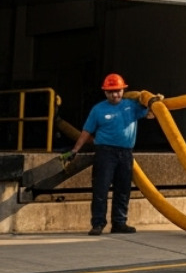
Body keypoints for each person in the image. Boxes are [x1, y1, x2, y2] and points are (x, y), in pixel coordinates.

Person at [61, 74, 151, 235]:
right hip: (105, 152)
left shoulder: (132, 106)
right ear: (105, 93)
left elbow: (151, 114)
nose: (114, 95)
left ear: (123, 90)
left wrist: (154, 101)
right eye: (110, 92)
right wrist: (75, 150)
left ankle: (119, 223)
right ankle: (98, 223)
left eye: (117, 91)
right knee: (100, 188)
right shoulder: (98, 109)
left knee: (123, 189)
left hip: (126, 152)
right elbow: (86, 131)